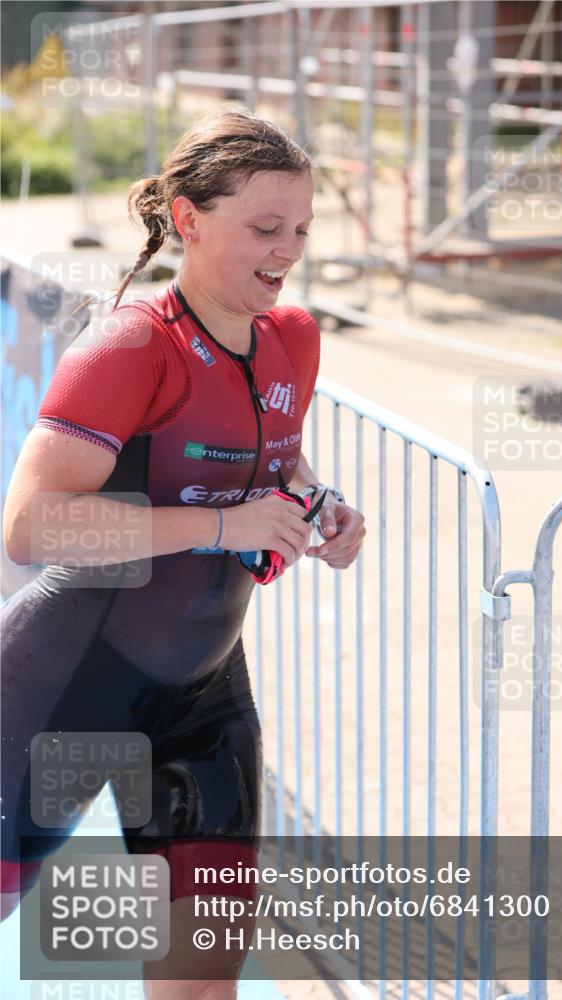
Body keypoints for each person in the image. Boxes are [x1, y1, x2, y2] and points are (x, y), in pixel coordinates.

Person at [1, 107, 366, 998]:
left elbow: (265, 448)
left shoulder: (293, 338)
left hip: (202, 700)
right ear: (188, 217)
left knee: (203, 971)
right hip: (61, 689)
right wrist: (222, 526)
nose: (288, 250)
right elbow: (32, 525)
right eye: (265, 228)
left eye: (302, 229)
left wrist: (317, 505)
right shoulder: (130, 347)